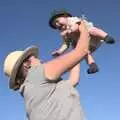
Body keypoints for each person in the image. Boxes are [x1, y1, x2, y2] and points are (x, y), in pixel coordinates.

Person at [4, 22, 89, 120]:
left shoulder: (32, 88)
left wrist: (75, 47)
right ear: (26, 65)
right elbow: (82, 51)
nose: (40, 60)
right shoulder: (37, 74)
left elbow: (74, 80)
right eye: (34, 58)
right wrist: (82, 25)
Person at [49, 10, 116, 74]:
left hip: (93, 37)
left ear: (66, 16)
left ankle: (106, 37)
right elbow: (66, 44)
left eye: (57, 21)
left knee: (91, 29)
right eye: (55, 25)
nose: (57, 24)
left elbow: (76, 27)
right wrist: (59, 51)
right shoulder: (63, 33)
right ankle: (93, 67)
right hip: (87, 44)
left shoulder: (72, 20)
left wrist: (69, 31)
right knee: (84, 53)